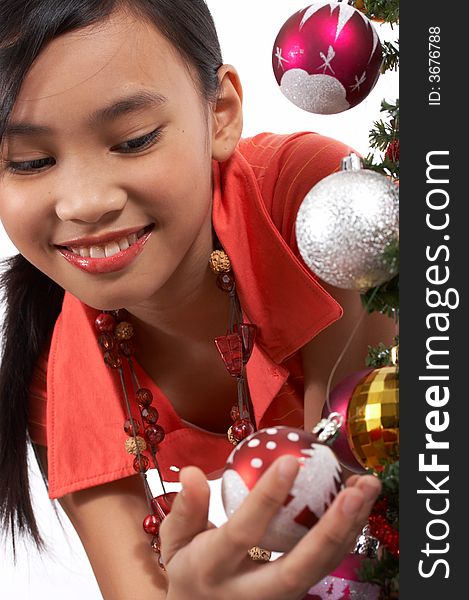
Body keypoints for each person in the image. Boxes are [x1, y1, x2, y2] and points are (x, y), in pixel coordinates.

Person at [0, 1, 390, 598]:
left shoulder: (316, 203)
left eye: (133, 140)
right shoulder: (57, 383)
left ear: (221, 113)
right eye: (29, 162)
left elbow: (366, 504)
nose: (83, 203)